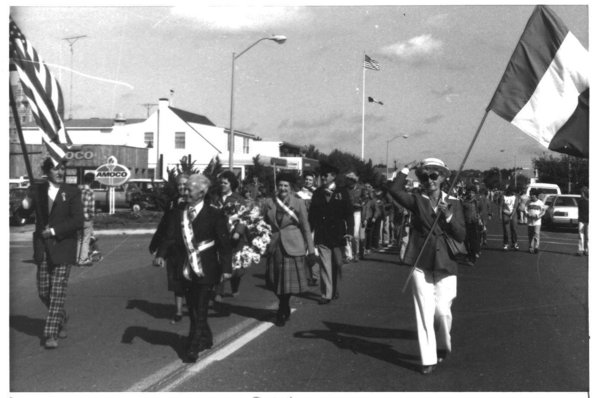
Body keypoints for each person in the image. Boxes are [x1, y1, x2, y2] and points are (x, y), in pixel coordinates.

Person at [387, 158, 466, 375]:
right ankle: (428, 358)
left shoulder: (455, 203)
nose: (429, 180)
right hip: (420, 261)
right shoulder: (417, 201)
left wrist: (448, 215)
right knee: (424, 311)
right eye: (424, 176)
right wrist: (406, 169)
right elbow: (394, 189)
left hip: (446, 263)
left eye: (434, 176)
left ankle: (443, 344)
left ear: (442, 178)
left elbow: (461, 234)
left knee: (442, 312)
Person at [153, 174, 232, 363]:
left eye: (189, 189)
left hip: (206, 267)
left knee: (202, 306)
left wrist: (227, 268)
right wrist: (160, 254)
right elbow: (170, 236)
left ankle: (192, 346)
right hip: (184, 266)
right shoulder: (178, 211)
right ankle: (206, 336)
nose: (185, 192)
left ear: (202, 192)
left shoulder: (215, 213)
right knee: (194, 307)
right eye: (185, 188)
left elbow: (224, 244)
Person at [20, 157, 84, 349]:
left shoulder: (71, 192)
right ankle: (60, 316)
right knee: (43, 291)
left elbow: (78, 220)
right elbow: (22, 214)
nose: (59, 172)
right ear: (47, 171)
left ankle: (50, 334)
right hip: (43, 247)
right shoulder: (37, 190)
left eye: (62, 168)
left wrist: (55, 231)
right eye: (55, 169)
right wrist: (25, 204)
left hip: (63, 246)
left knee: (57, 292)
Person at [262, 172, 317, 326]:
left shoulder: (298, 203)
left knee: (287, 282)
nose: (283, 188)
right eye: (280, 185)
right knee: (274, 280)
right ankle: (283, 303)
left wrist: (311, 251)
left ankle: (283, 306)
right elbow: (263, 223)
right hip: (275, 245)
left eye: (286, 185)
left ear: (291, 188)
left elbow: (306, 227)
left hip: (293, 244)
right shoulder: (269, 203)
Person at [308, 162, 354, 305]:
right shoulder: (317, 193)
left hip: (338, 235)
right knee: (325, 264)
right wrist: (309, 233)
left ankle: (333, 289)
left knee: (337, 264)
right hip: (322, 233)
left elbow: (349, 214)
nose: (322, 178)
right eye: (321, 175)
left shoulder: (342, 192)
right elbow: (312, 215)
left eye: (325, 175)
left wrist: (350, 231)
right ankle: (326, 294)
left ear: (333, 176)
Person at [150, 173, 189, 324]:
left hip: (190, 248)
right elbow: (165, 224)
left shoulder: (196, 202)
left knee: (190, 281)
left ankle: (192, 309)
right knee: (176, 280)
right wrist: (156, 245)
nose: (181, 187)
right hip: (174, 247)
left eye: (185, 184)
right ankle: (178, 312)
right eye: (179, 184)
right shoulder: (173, 202)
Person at [213, 171, 246, 300]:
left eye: (225, 183)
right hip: (218, 237)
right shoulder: (215, 198)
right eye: (221, 182)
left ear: (231, 184)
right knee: (219, 263)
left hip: (234, 237)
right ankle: (218, 292)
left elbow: (243, 218)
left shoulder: (238, 199)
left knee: (235, 267)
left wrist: (238, 232)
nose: (222, 185)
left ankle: (235, 285)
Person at [296, 171, 319, 286]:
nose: (308, 181)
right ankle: (303, 276)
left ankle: (315, 276)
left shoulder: (317, 193)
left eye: (310, 180)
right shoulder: (298, 194)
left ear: (313, 181)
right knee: (301, 250)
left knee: (313, 250)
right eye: (306, 179)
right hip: (302, 225)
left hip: (314, 225)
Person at [77, 173, 95, 266]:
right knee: (85, 240)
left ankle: (77, 258)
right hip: (86, 218)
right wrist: (91, 216)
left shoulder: (78, 190)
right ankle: (83, 259)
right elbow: (91, 207)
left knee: (79, 239)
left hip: (77, 218)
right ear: (92, 181)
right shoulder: (90, 191)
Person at [345, 172, 363, 262]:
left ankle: (356, 253)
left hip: (356, 212)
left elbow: (365, 201)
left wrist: (360, 204)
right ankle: (348, 255)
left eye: (350, 180)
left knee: (355, 235)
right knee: (347, 233)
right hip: (346, 213)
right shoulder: (345, 189)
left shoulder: (360, 189)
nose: (348, 181)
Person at [461, 185, 481, 265]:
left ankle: (472, 257)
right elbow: (461, 212)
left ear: (475, 193)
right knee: (465, 240)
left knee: (473, 240)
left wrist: (479, 218)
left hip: (474, 222)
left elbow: (480, 210)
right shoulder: (464, 202)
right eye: (469, 192)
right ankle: (469, 254)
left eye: (472, 192)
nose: (470, 194)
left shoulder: (477, 202)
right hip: (466, 222)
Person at [525, 189, 546, 254]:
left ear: (536, 195)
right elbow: (525, 209)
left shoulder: (540, 203)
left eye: (532, 195)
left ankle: (536, 247)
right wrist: (527, 214)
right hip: (530, 222)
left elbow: (543, 211)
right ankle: (531, 247)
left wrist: (537, 216)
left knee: (536, 234)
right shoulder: (528, 202)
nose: (531, 196)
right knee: (530, 235)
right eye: (530, 195)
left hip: (537, 222)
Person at [499, 186, 519, 251]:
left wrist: (511, 215)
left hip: (513, 214)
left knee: (514, 229)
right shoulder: (503, 196)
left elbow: (515, 207)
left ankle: (514, 243)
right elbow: (501, 206)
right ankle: (506, 244)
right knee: (506, 230)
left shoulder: (515, 197)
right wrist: (500, 215)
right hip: (505, 213)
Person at [577, 186, 589, 256]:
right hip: (581, 220)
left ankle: (587, 250)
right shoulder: (580, 202)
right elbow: (579, 211)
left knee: (588, 236)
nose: (581, 194)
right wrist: (578, 219)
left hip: (588, 221)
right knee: (580, 235)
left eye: (582, 193)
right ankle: (580, 250)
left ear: (584, 193)